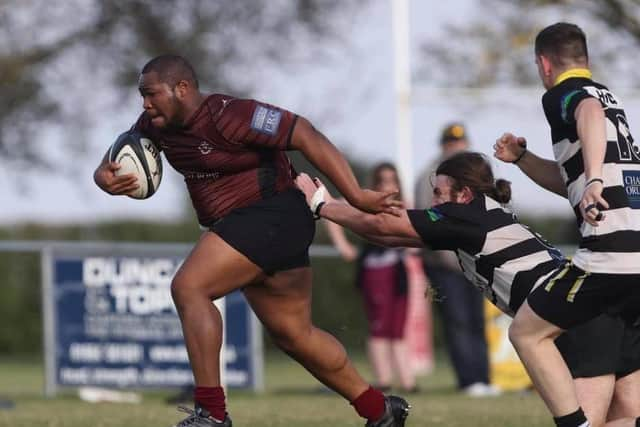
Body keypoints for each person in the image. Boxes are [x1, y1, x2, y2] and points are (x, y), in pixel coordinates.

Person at [93, 54, 410, 427]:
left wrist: (355, 194)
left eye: (150, 94)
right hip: (252, 228)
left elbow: (304, 132)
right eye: (141, 95)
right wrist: (103, 177)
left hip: (273, 213)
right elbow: (120, 151)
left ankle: (211, 414)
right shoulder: (155, 122)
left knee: (189, 288)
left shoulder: (230, 114)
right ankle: (380, 411)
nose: (144, 103)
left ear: (182, 89)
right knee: (295, 335)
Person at [296, 151, 638, 426]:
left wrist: (322, 205)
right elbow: (385, 233)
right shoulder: (480, 216)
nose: (433, 202)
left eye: (439, 193)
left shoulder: (467, 215)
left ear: (464, 193)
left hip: (579, 322)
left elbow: (383, 226)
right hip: (595, 313)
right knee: (626, 416)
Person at [492, 22, 640, 427]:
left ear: (544, 63)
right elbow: (572, 186)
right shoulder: (607, 96)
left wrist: (592, 178)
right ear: (585, 59)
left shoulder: (563, 94)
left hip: (610, 256)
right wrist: (524, 159)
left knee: (525, 333)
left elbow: (586, 117)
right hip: (637, 258)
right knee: (629, 401)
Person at [414, 123, 496, 397]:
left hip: (475, 261)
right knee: (458, 322)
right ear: (444, 145)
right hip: (445, 266)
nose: (456, 147)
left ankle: (483, 379)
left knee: (477, 322)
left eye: (460, 142)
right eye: (451, 142)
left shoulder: (474, 174)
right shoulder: (429, 176)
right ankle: (468, 379)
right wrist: (452, 260)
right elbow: (428, 221)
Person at [325, 162, 418, 393]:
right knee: (380, 328)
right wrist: (343, 246)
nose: (388, 184)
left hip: (399, 272)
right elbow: (329, 207)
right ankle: (383, 380)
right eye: (383, 179)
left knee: (397, 329)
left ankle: (408, 382)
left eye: (392, 179)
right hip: (375, 271)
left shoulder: (406, 204)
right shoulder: (365, 202)